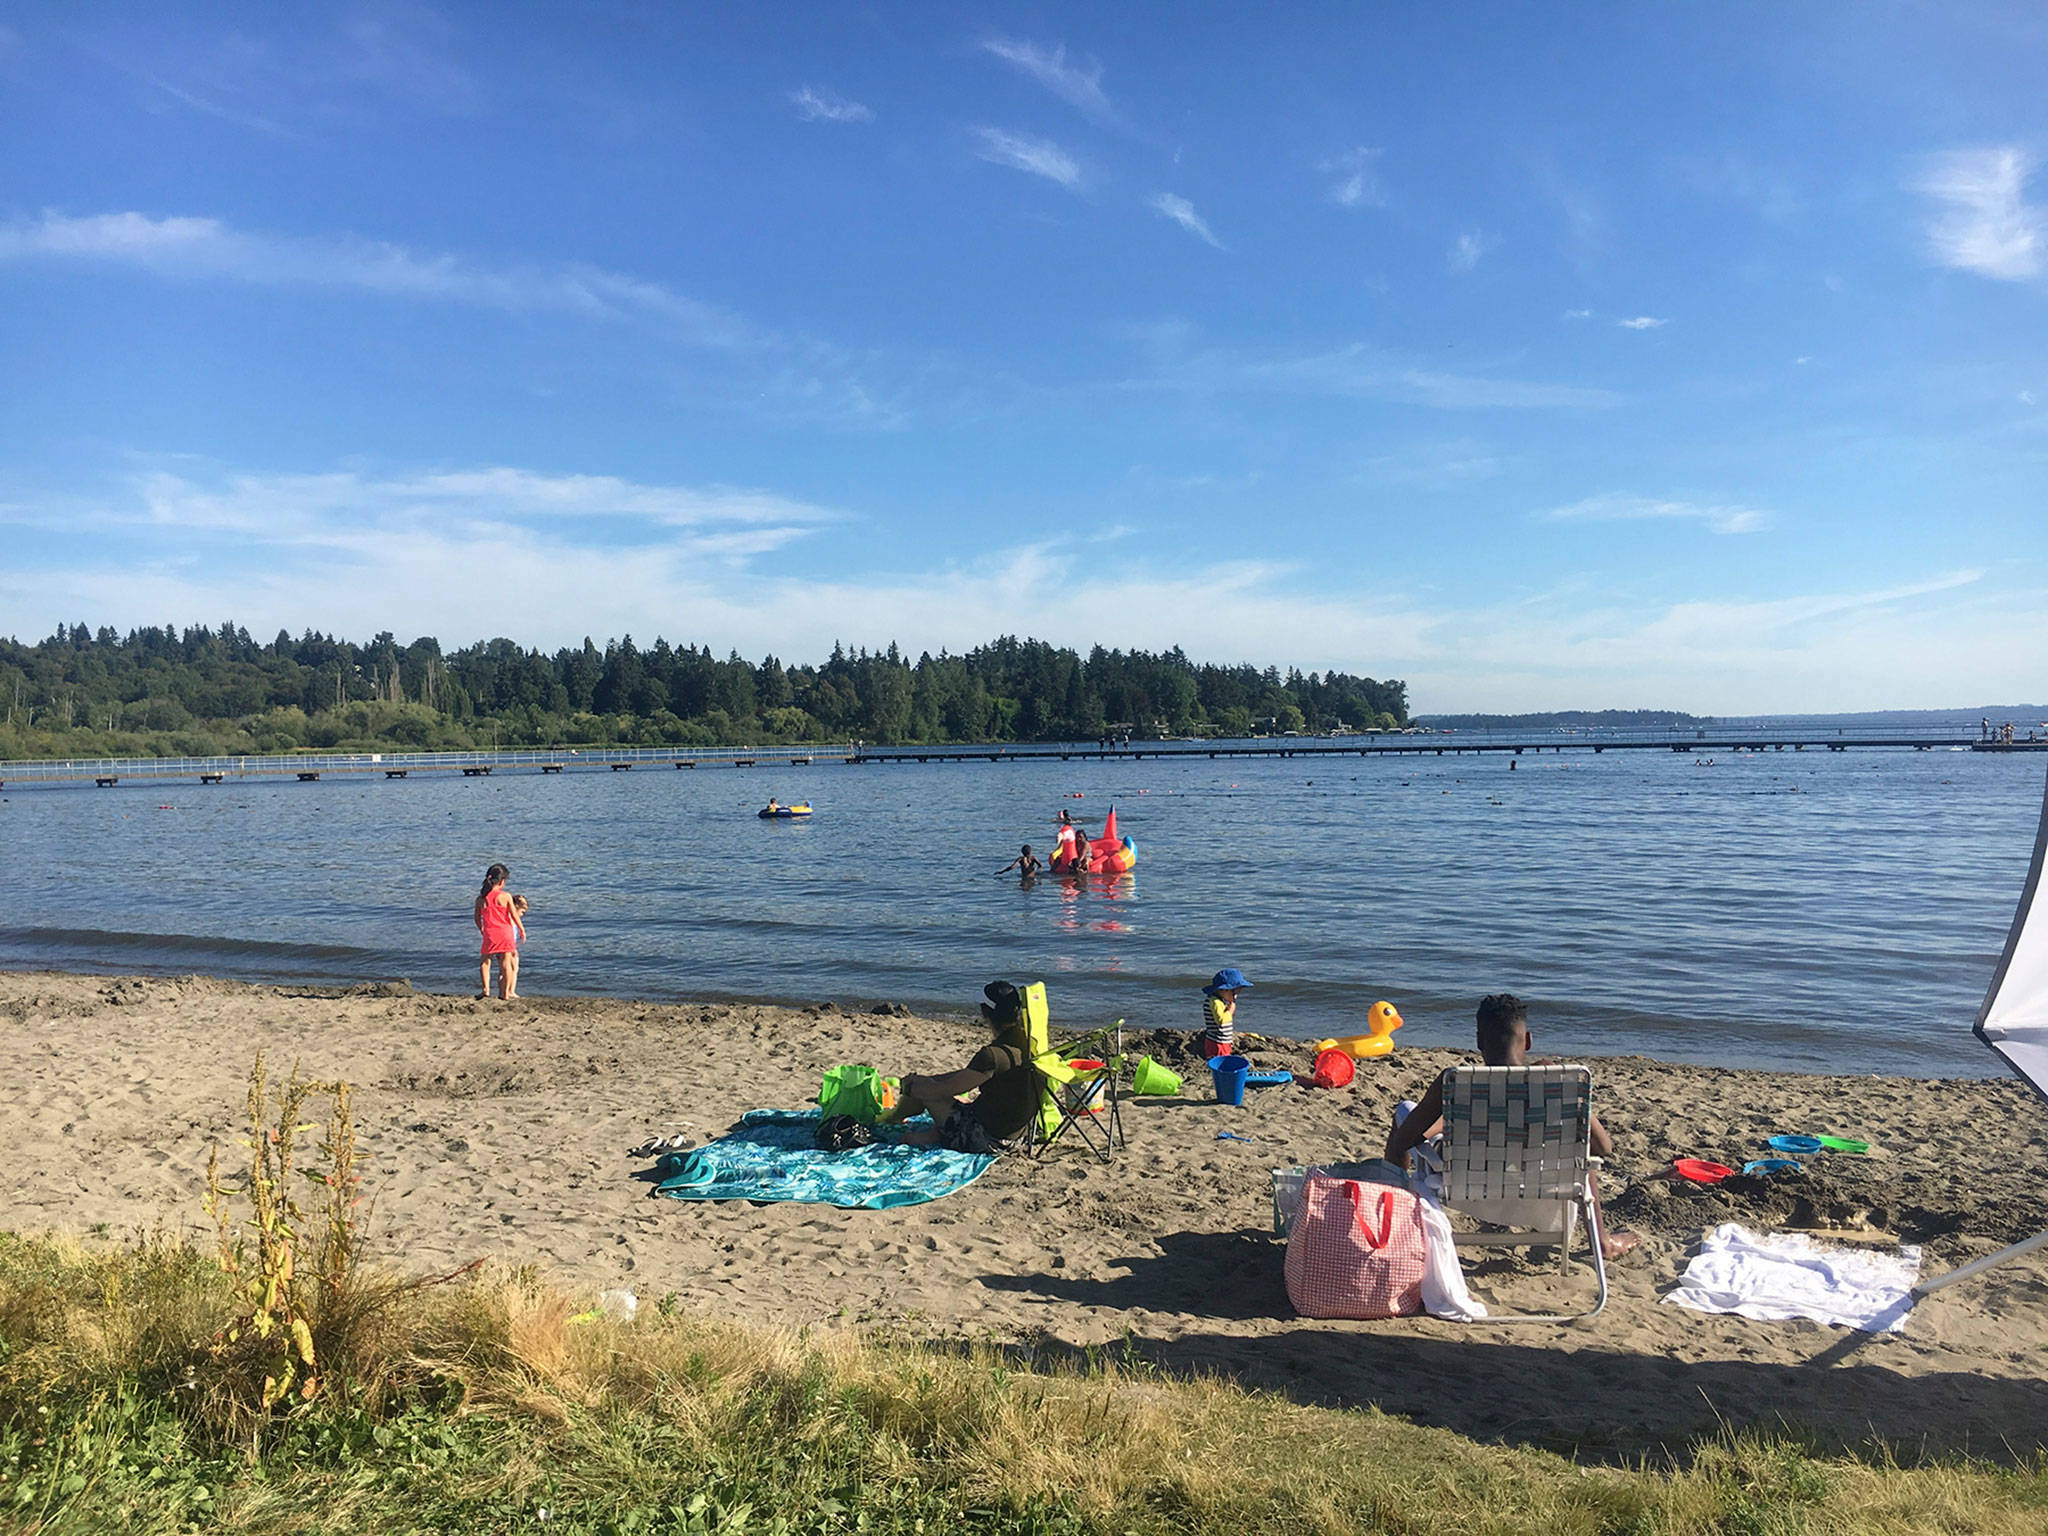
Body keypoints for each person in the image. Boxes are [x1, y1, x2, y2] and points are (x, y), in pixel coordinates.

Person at [1384, 993, 1639, 1260]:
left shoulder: (1456, 1083)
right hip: (1546, 1194)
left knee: (1405, 1109)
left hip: (1465, 1191)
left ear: (1479, 1040)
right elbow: (1604, 1148)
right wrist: (1570, 1093)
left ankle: (1389, 1228)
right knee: (1580, 1154)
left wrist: (1449, 1119)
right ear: (1528, 1041)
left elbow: (1403, 1142)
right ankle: (1603, 1242)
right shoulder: (1555, 1082)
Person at [881, 981, 1041, 1153]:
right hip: (1019, 1134)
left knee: (920, 1087)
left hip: (987, 1139)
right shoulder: (1030, 1046)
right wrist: (933, 1079)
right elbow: (966, 1076)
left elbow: (942, 1091)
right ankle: (926, 1127)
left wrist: (911, 1086)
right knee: (937, 1088)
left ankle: (893, 1118)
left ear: (985, 1012)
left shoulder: (992, 1055)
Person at [474, 864, 525, 1000]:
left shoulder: (481, 899)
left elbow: (477, 918)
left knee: (485, 962)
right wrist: (521, 929)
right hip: (506, 933)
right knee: (505, 964)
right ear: (502, 881)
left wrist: (482, 929)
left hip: (490, 933)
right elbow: (514, 915)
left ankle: (486, 990)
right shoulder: (506, 896)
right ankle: (504, 993)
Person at [1197, 967, 1250, 1058]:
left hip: (1220, 1040)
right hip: (1218, 1042)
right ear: (1224, 989)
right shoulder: (1215, 1002)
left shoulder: (1218, 1000)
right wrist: (1230, 1011)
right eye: (1234, 994)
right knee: (1221, 1061)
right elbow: (1221, 1021)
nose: (1235, 997)